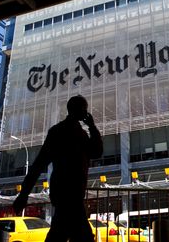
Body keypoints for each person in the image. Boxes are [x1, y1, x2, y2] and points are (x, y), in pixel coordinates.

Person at [13, 95, 103, 242]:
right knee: (77, 234)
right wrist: (23, 194)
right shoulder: (64, 132)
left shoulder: (76, 132)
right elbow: (39, 164)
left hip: (67, 194)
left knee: (61, 232)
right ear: (79, 110)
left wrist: (92, 127)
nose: (86, 112)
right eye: (84, 108)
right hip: (68, 194)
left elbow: (96, 152)